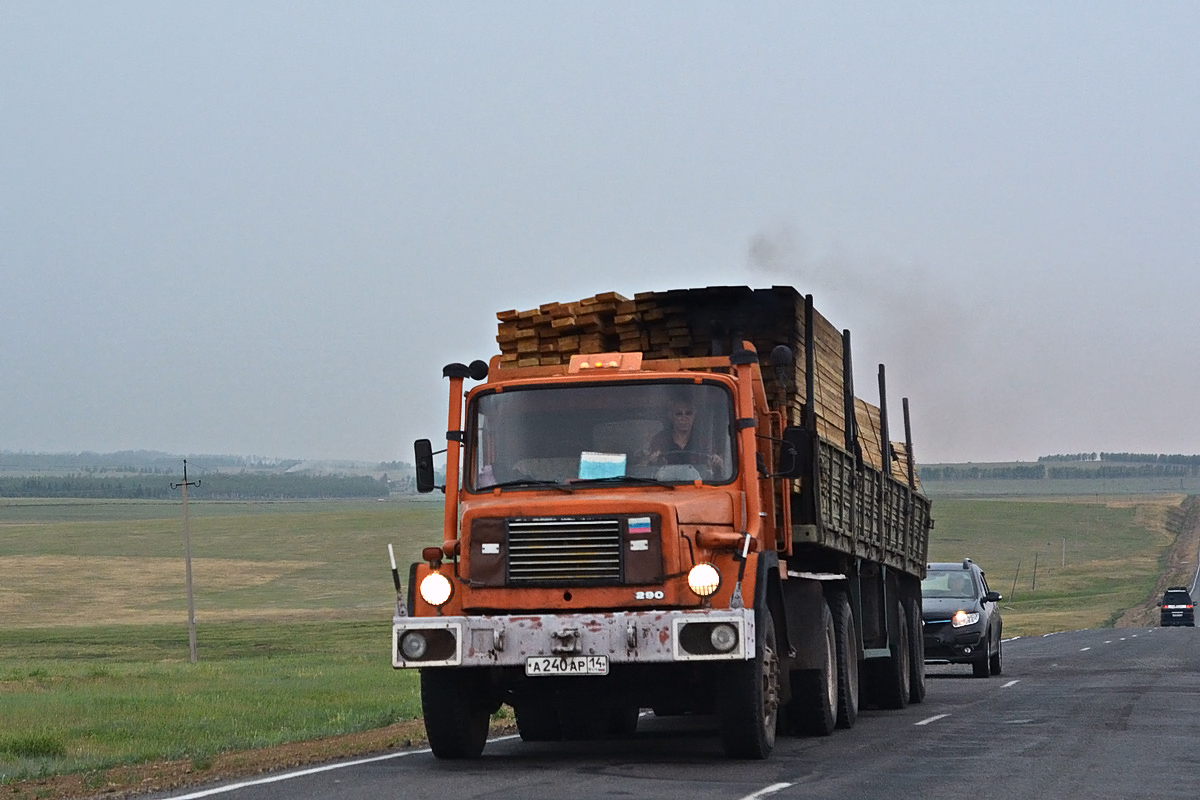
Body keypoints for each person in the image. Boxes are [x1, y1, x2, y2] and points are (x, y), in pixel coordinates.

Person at [641, 396, 724, 474]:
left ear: (694, 415)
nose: (684, 418)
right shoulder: (659, 440)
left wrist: (717, 461)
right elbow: (645, 465)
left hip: (699, 486)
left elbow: (715, 466)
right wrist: (651, 460)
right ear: (671, 416)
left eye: (688, 413)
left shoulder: (705, 441)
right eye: (679, 413)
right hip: (666, 486)